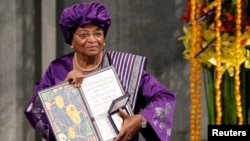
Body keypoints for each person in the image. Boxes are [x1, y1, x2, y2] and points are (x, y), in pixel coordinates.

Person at [24, 2, 176, 141]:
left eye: (97, 33)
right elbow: (36, 110)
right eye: (84, 35)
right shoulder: (57, 69)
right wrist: (62, 90)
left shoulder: (125, 66)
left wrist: (141, 120)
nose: (92, 39)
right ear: (71, 39)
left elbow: (164, 97)